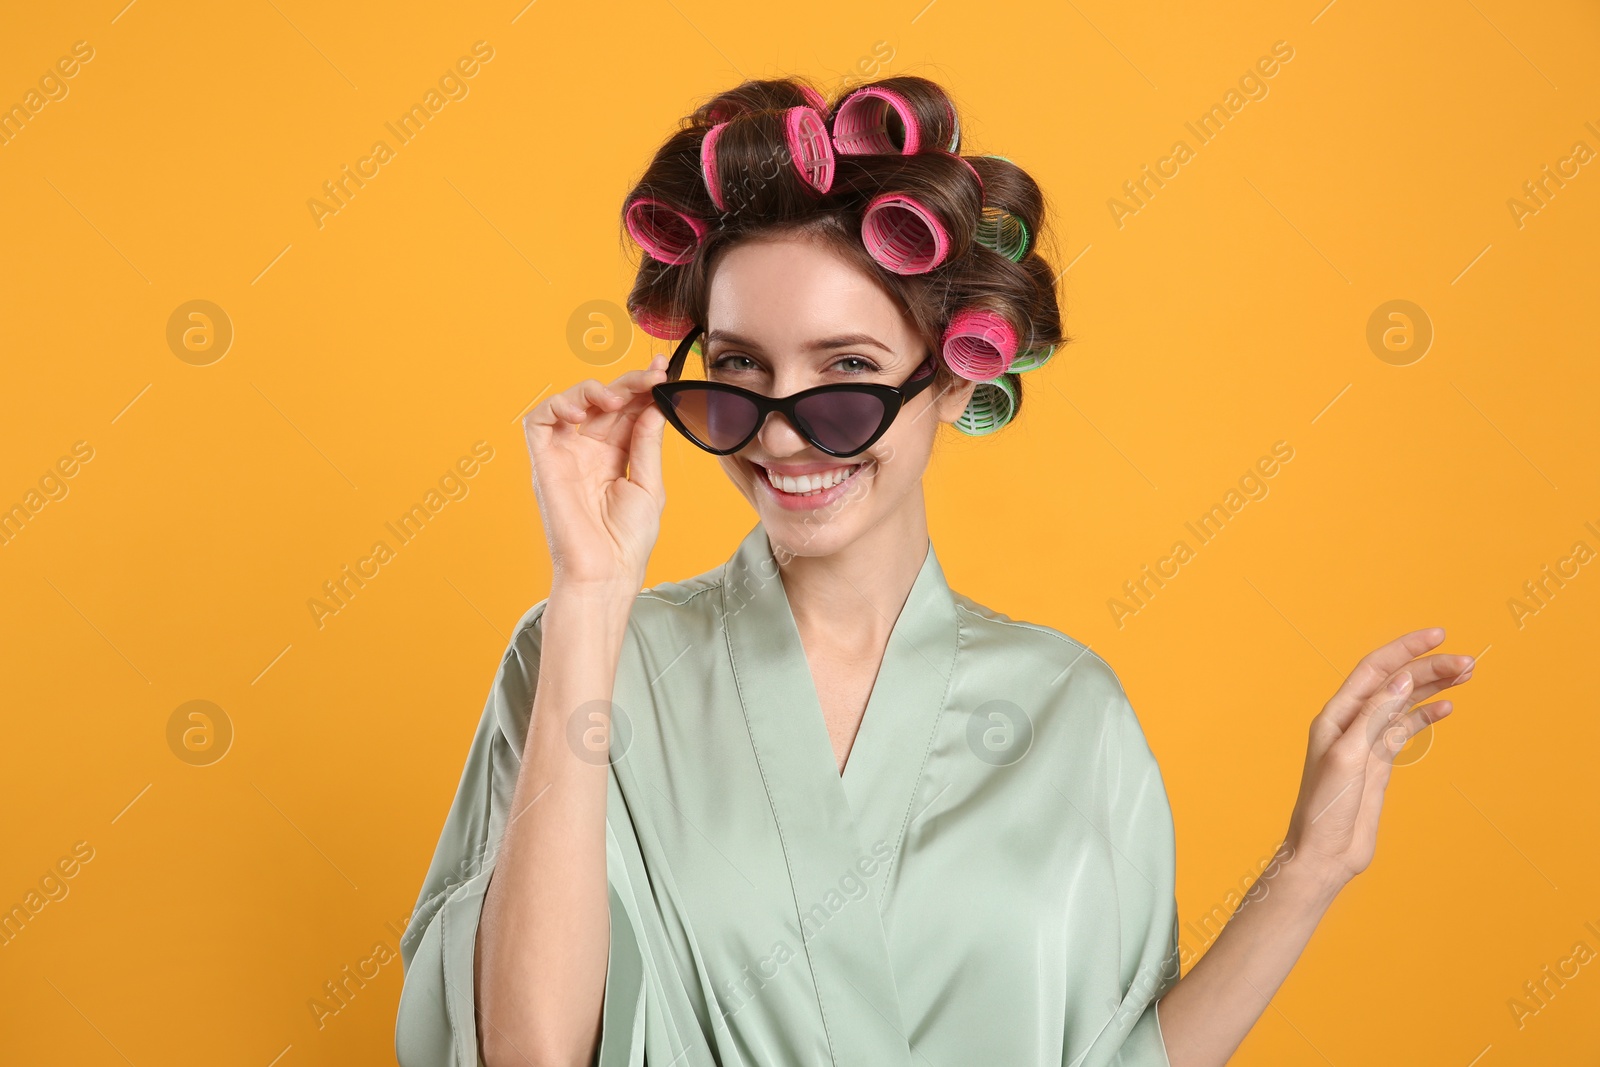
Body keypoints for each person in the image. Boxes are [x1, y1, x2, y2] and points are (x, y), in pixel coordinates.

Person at [394, 75, 1475, 1067]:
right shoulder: (587, 662)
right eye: (737, 371)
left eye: (848, 370)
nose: (781, 435)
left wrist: (1306, 867)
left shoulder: (1067, 710)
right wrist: (588, 590)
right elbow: (524, 1052)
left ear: (957, 378)